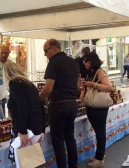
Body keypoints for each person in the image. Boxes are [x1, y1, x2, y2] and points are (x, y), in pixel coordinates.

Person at [39, 38, 79, 168]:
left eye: (46, 51)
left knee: (58, 140)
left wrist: (38, 99)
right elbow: (78, 86)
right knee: (69, 136)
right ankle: (73, 165)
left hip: (58, 105)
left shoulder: (53, 63)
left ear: (54, 48)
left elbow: (48, 88)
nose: (45, 54)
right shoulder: (73, 62)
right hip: (72, 103)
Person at [3, 61, 46, 164]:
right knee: (34, 162)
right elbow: (41, 106)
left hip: (27, 131)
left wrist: (22, 131)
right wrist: (42, 128)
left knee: (25, 162)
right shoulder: (29, 84)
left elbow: (23, 107)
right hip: (35, 128)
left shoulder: (14, 83)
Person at [81, 52, 113, 168]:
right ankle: (99, 155)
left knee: (100, 132)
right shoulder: (90, 72)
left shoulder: (99, 71)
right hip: (92, 106)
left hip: (99, 107)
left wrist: (92, 84)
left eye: (86, 61)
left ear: (92, 61)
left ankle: (99, 158)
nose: (84, 63)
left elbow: (109, 87)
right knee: (98, 131)